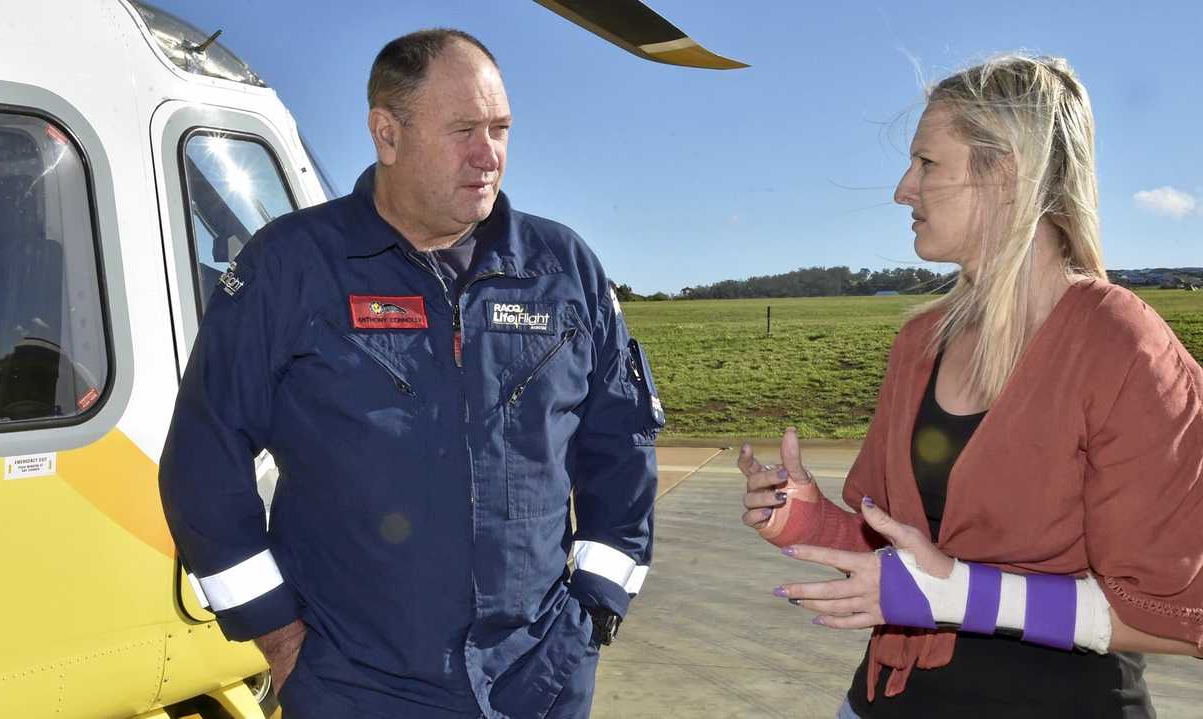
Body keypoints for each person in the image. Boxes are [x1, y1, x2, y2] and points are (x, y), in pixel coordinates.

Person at [159, 29, 663, 718]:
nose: (489, 155)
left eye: (500, 129)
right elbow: (202, 463)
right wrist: (278, 635)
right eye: (463, 130)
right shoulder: (291, 268)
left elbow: (622, 451)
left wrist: (593, 613)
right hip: (355, 686)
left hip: (538, 682)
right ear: (386, 134)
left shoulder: (564, 270)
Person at [739, 54, 1203, 718]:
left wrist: (962, 594)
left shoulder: (1123, 346)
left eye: (927, 163)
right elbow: (905, 564)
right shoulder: (918, 342)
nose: (903, 188)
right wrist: (801, 518)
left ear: (1004, 172)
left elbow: (1179, 614)